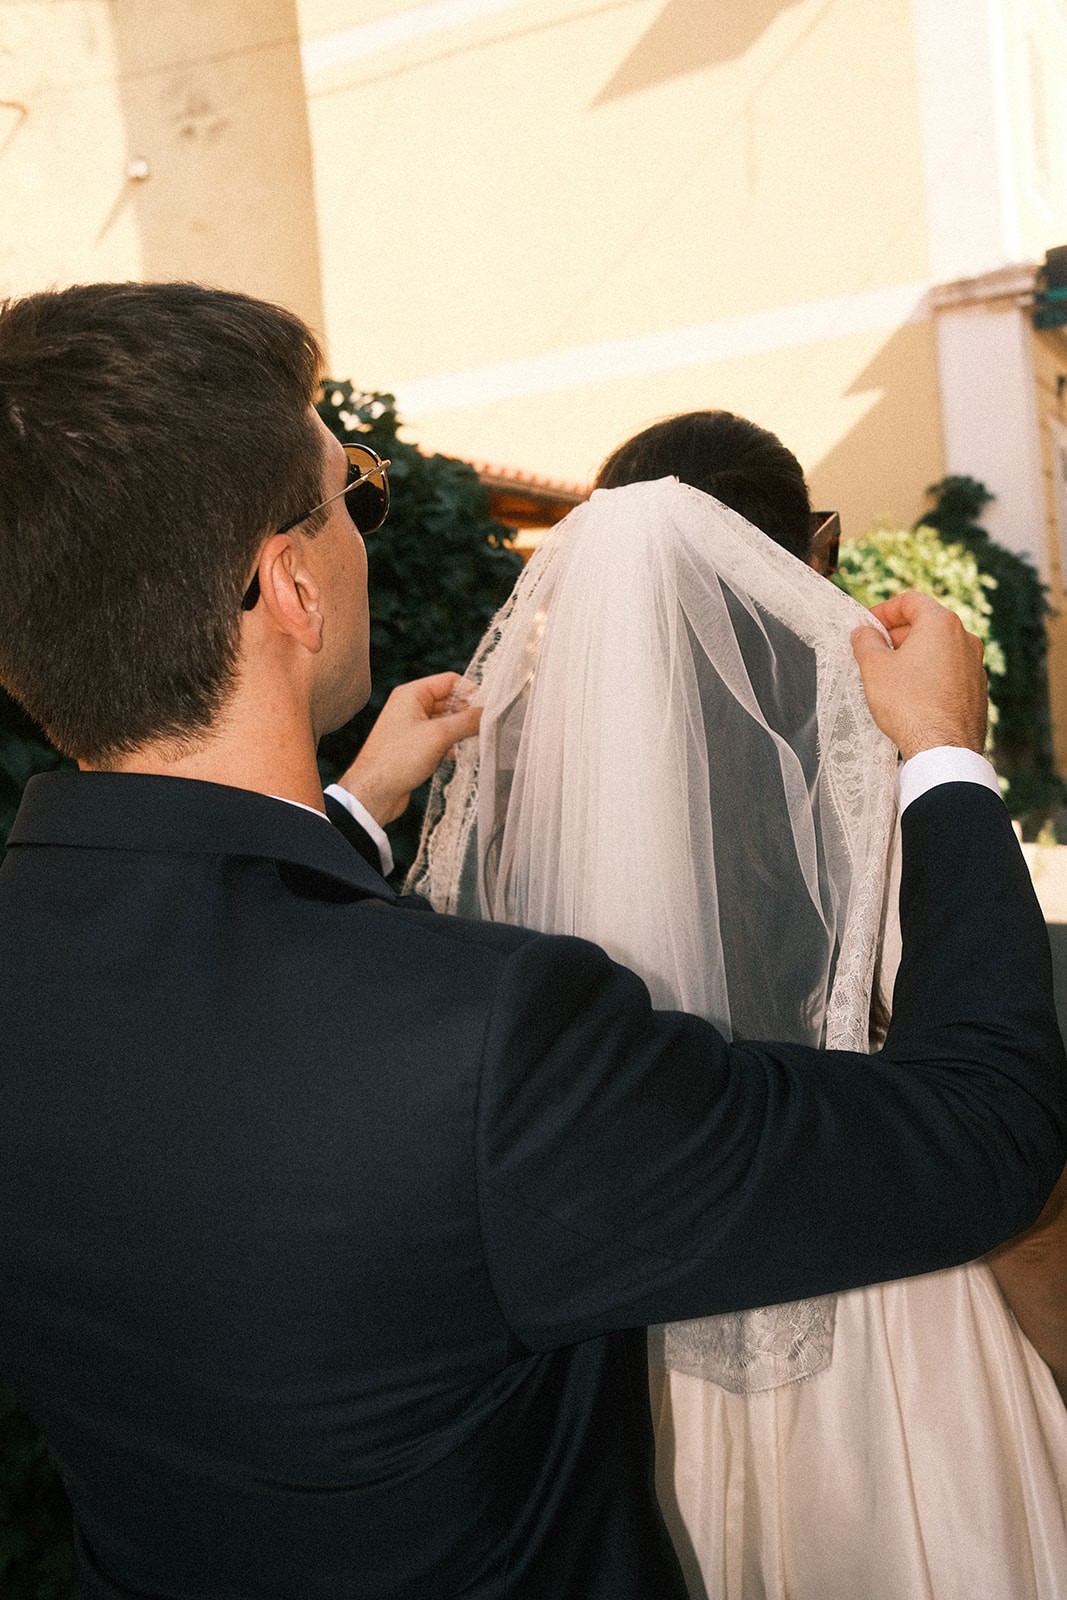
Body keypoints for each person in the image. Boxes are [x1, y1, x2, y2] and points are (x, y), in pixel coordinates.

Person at [0, 287, 1064, 1600]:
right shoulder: (489, 1043)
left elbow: (230, 1002)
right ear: (292, 585)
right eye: (352, 496)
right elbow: (984, 1136)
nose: (364, 533)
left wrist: (356, 805)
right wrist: (945, 755)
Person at [410, 414, 1067, 1599]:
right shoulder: (882, 790)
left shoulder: (534, 822)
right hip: (896, 1367)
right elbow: (1010, 1164)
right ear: (807, 560)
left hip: (642, 1368)